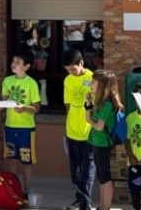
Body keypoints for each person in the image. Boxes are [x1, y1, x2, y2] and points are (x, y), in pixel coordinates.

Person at [0, 52, 41, 199]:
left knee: (26, 160)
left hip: (26, 128)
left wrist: (24, 108)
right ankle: (12, 189)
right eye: (13, 60)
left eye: (18, 61)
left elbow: (36, 107)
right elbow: (4, 100)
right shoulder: (7, 81)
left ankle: (27, 190)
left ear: (26, 66)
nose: (14, 63)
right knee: (12, 160)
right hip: (10, 126)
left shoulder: (31, 83)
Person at [63, 48, 95, 210]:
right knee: (75, 169)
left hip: (89, 130)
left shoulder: (93, 78)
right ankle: (80, 198)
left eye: (73, 69)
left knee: (88, 167)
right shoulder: (68, 80)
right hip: (72, 131)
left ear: (81, 62)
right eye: (68, 70)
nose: (71, 73)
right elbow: (68, 105)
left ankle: (86, 201)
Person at [85, 70, 121, 210]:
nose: (91, 85)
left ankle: (106, 206)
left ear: (102, 86)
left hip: (103, 143)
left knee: (105, 175)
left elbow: (99, 126)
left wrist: (89, 120)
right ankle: (102, 205)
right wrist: (88, 104)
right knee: (101, 175)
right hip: (95, 141)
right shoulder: (98, 102)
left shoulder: (107, 105)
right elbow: (89, 117)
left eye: (94, 82)